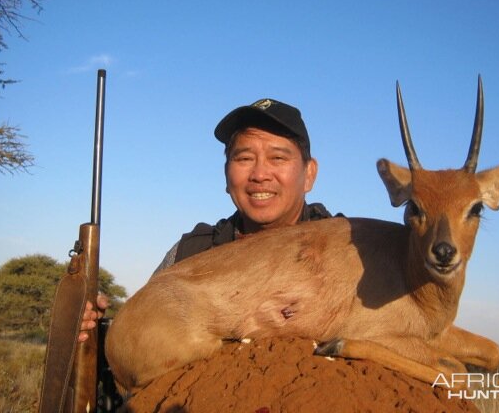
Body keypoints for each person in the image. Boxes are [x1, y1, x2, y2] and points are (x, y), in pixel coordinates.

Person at [79, 98, 337, 340]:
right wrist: (99, 335)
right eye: (244, 158)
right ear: (226, 175)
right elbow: (142, 362)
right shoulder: (189, 253)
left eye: (278, 158)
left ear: (310, 173)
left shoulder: (348, 254)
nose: (259, 174)